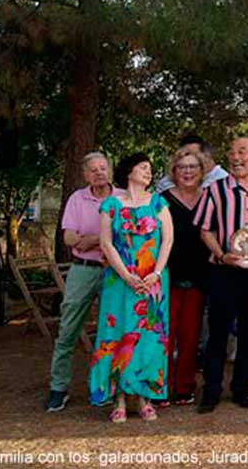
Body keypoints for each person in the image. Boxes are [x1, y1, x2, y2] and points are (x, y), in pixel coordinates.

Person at [194, 136, 248, 412]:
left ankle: (242, 389)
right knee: (217, 333)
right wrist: (221, 255)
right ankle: (211, 391)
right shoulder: (215, 190)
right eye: (232, 152)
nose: (236, 157)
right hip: (224, 271)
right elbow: (205, 229)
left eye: (242, 152)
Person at [89, 153, 174, 423]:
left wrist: (156, 273)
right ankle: (119, 399)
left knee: (149, 338)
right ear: (129, 172)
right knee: (118, 334)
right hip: (119, 281)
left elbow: (168, 240)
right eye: (143, 168)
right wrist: (126, 275)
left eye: (150, 169)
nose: (148, 173)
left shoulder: (159, 202)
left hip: (153, 282)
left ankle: (146, 397)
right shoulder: (111, 205)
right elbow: (105, 243)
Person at [45, 152, 120, 412]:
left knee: (113, 330)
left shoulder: (122, 198)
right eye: (93, 170)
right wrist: (102, 238)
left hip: (114, 271)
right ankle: (58, 388)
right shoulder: (78, 198)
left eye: (103, 168)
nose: (99, 172)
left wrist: (93, 240)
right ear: (86, 175)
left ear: (109, 170)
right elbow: (68, 238)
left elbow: (128, 235)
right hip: (83, 269)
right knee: (68, 328)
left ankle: (108, 387)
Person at [161, 146, 211, 406]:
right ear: (174, 172)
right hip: (167, 275)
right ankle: (161, 387)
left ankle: (185, 387)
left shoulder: (210, 198)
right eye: (182, 168)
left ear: (202, 172)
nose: (187, 172)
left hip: (199, 276)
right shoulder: (161, 200)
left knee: (191, 336)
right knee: (164, 334)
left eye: (193, 167)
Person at [155, 134, 227, 191]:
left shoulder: (223, 181)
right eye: (185, 154)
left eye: (194, 155)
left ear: (206, 155)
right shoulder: (165, 183)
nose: (189, 160)